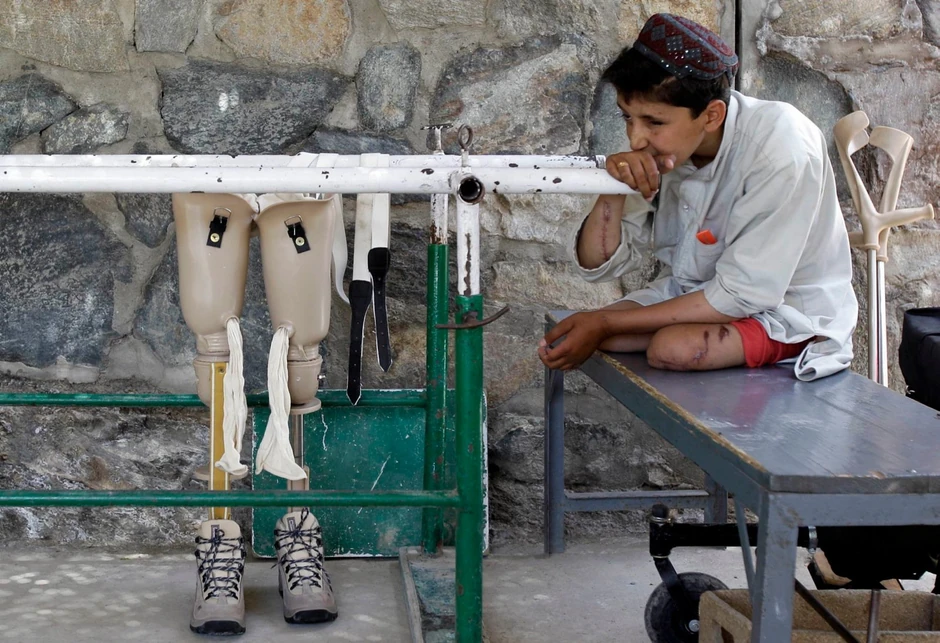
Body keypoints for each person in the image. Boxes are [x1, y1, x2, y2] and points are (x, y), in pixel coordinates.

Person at [538, 13, 858, 381]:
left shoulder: (781, 146)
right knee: (601, 337)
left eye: (654, 122)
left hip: (786, 309)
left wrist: (606, 321)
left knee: (671, 347)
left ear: (711, 116)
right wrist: (615, 187)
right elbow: (600, 264)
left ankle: (799, 343)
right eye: (627, 117)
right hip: (698, 296)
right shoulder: (666, 149)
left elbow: (743, 295)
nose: (635, 139)